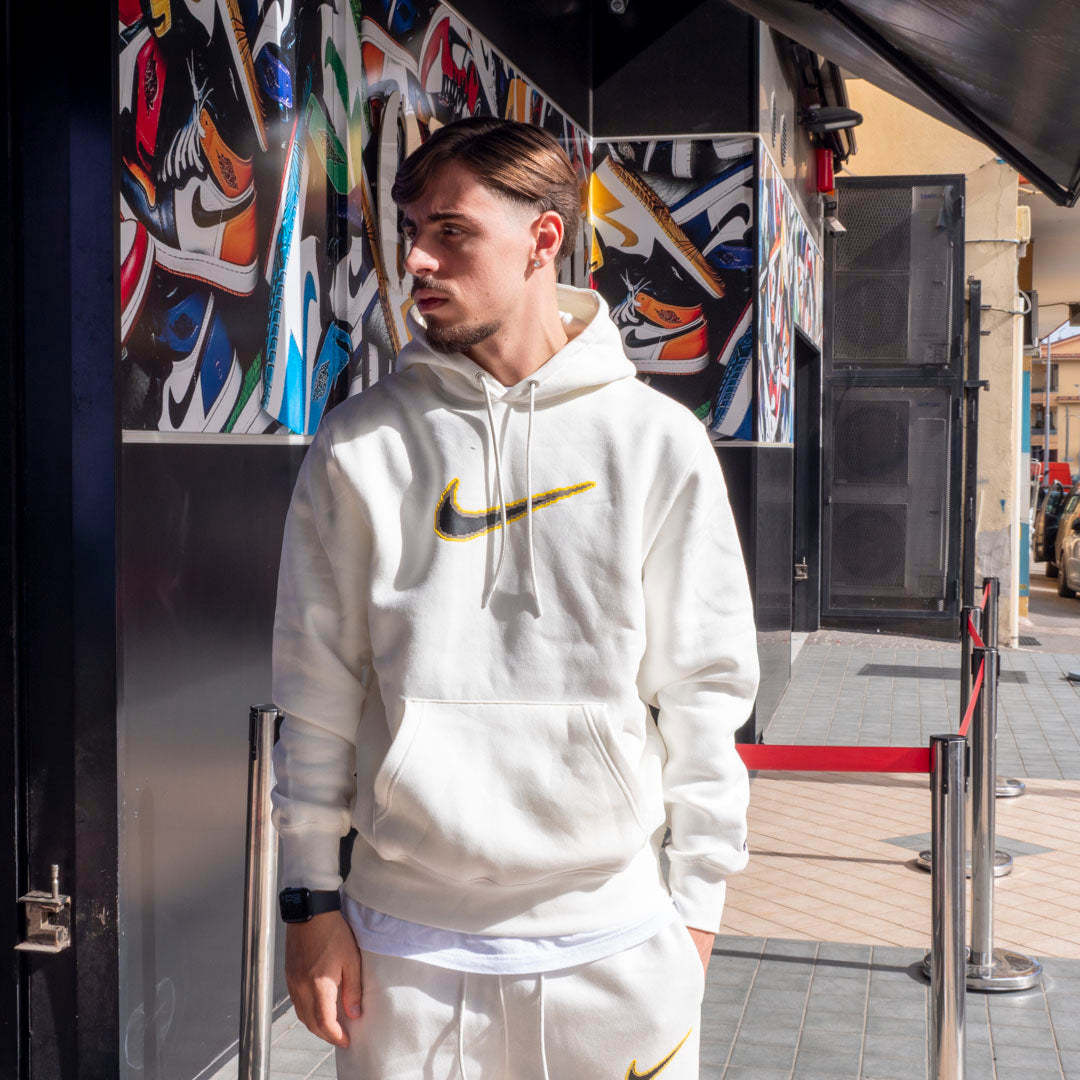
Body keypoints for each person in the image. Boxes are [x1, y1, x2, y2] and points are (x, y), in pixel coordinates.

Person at [270, 116, 759, 1080]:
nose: (416, 259)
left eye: (452, 230)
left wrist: (697, 911)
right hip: (401, 952)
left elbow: (705, 690)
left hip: (616, 949)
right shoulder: (359, 445)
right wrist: (308, 901)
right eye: (412, 230)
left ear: (543, 238)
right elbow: (316, 689)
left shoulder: (654, 442)